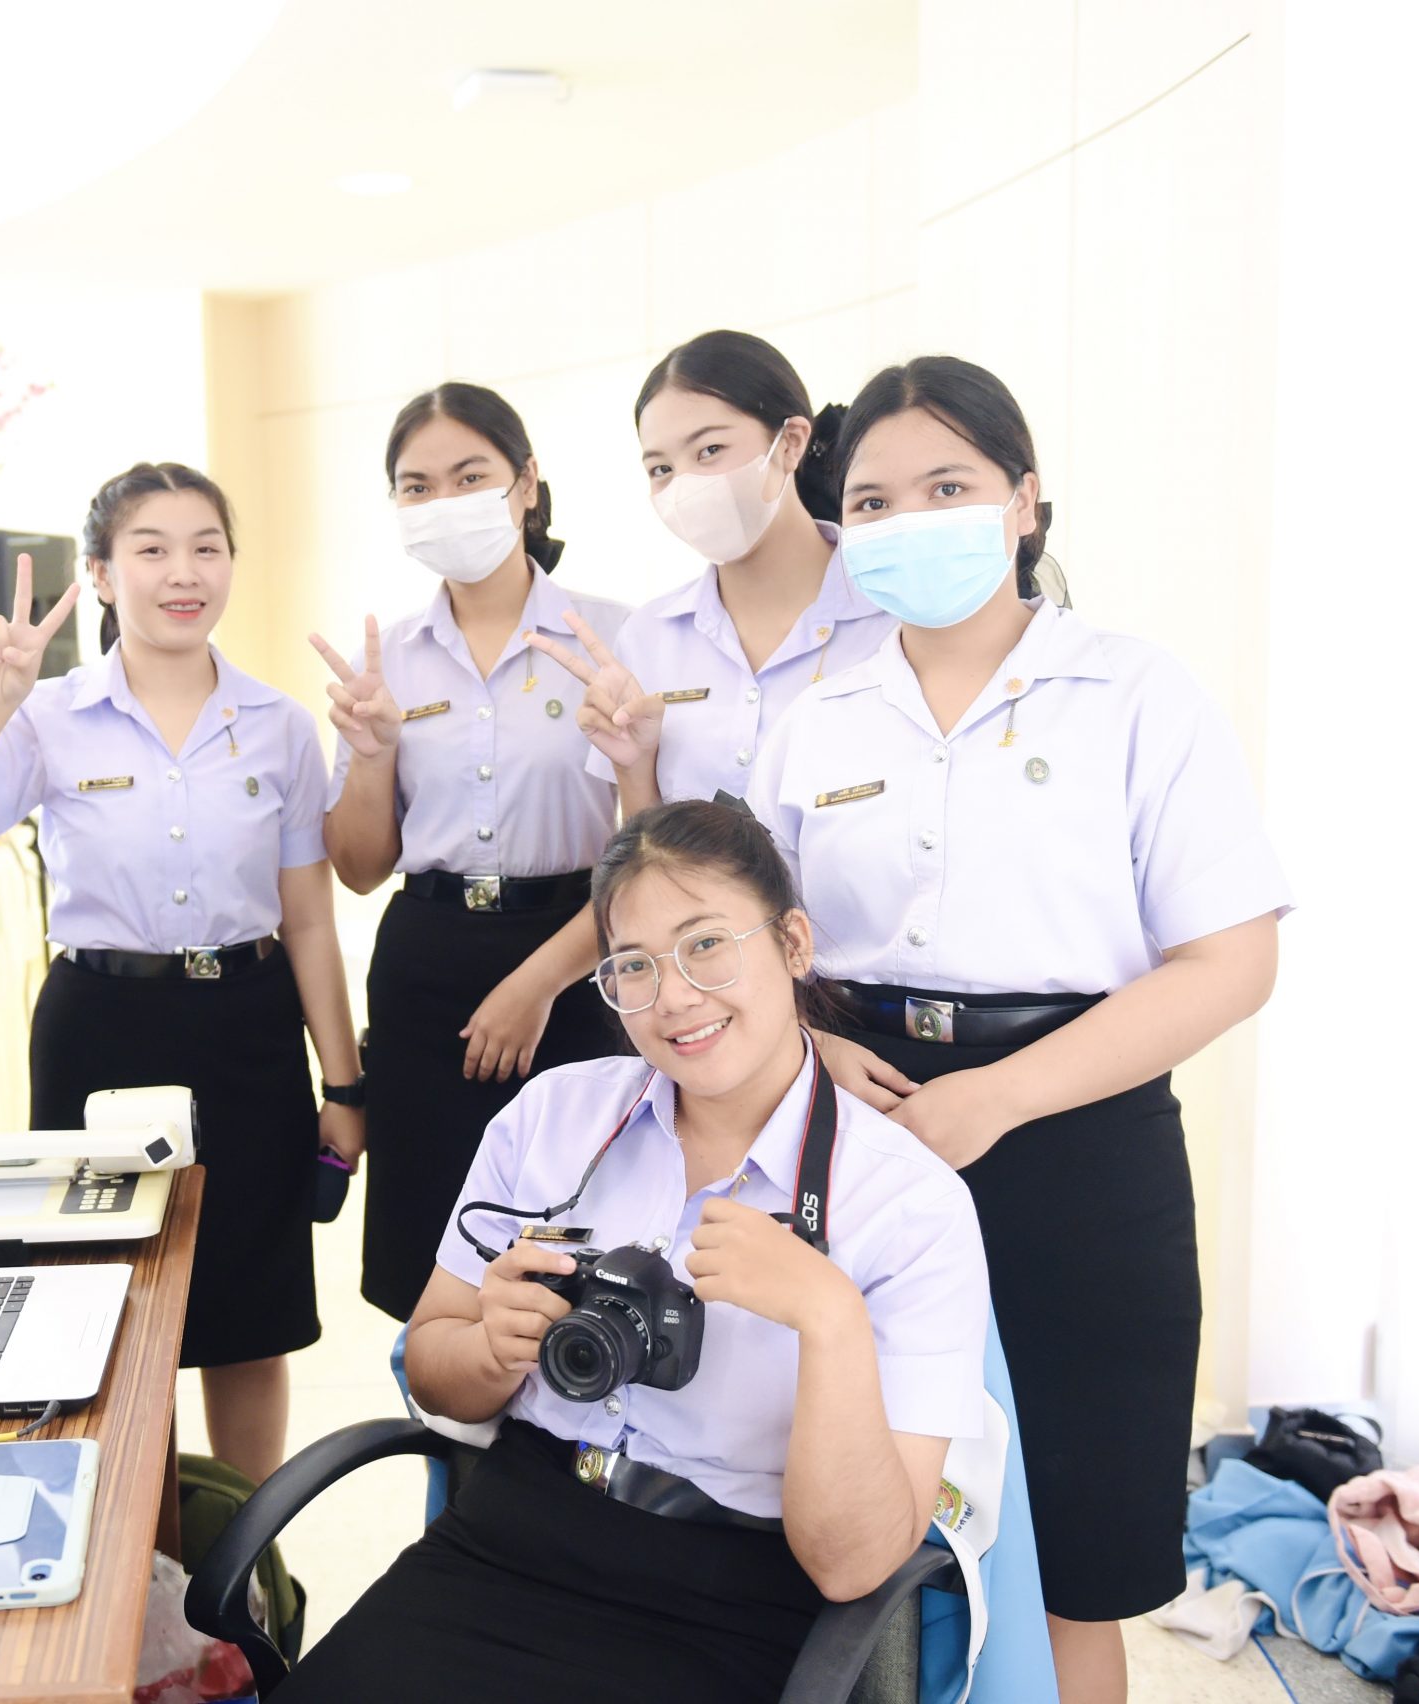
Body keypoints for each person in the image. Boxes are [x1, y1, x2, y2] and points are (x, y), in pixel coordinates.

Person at [747, 356, 1289, 1704]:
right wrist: (809, 1048)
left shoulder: (1135, 693)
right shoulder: (815, 720)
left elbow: (1231, 960)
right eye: (873, 502)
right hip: (858, 1126)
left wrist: (997, 1097)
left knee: (1071, 1555)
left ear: (1026, 500)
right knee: (846, 1520)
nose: (909, 520)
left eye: (949, 487)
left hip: (1080, 1140)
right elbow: (757, 943)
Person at [278, 798, 989, 1703]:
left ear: (794, 943)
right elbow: (432, 1366)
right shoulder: (554, 1118)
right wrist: (491, 1348)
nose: (675, 997)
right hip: (507, 1541)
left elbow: (854, 1567)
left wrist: (829, 1318)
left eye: (706, 945)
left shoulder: (909, 1204)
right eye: (633, 967)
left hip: (731, 1597)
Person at [0, 462, 364, 1484]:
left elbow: (312, 920)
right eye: (152, 550)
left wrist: (345, 1085)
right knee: (106, 1305)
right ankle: (134, 1541)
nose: (183, 573)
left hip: (249, 1025)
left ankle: (242, 1540)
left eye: (206, 548)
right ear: (100, 574)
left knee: (250, 1320)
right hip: (99, 1028)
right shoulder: (47, 716)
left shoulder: (279, 725)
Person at [313, 382, 630, 1321]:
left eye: (469, 476)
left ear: (525, 484)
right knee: (432, 1264)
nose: (443, 502)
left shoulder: (615, 637)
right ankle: (438, 1419)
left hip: (580, 958)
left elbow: (652, 852)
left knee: (576, 1257)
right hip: (427, 971)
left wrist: (539, 983)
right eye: (417, 486)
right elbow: (359, 869)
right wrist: (373, 753)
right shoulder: (390, 660)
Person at [527, 329, 894, 815]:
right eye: (661, 469)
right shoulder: (649, 636)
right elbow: (646, 844)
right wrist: (633, 766)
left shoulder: (894, 611)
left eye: (709, 450)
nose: (686, 486)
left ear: (790, 443)